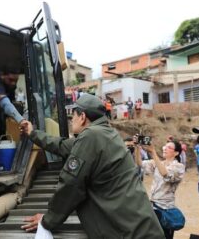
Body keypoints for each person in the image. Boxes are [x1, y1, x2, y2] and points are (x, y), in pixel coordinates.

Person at [20, 93, 164, 239]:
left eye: (73, 116)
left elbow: (70, 184)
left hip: (130, 232)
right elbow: (61, 145)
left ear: (82, 117)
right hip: (141, 225)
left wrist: (47, 221)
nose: (71, 121)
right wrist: (32, 133)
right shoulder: (105, 133)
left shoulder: (90, 136)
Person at [136, 140, 185, 239]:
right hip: (152, 207)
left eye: (169, 147)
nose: (164, 148)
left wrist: (153, 152)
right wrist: (137, 148)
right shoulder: (157, 163)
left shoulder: (179, 167)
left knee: (164, 236)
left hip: (165, 209)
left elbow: (166, 174)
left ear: (176, 153)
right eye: (164, 146)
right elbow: (139, 163)